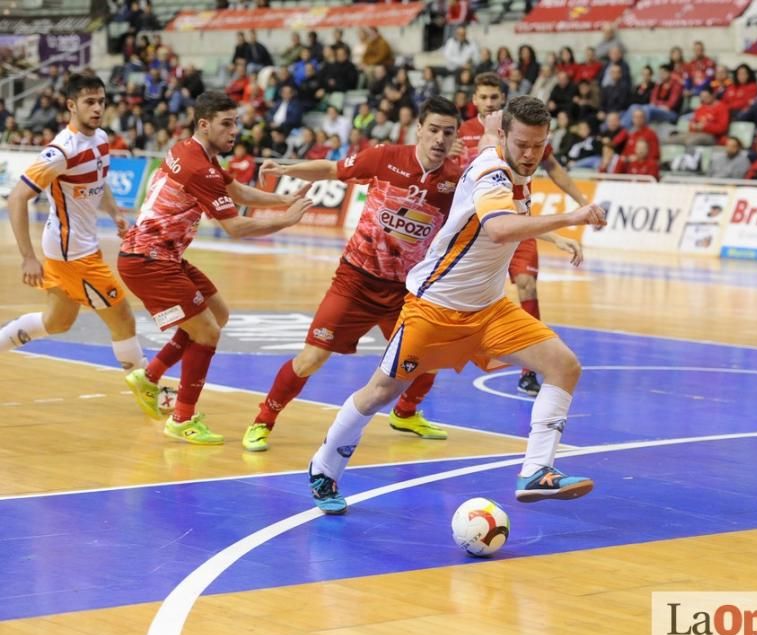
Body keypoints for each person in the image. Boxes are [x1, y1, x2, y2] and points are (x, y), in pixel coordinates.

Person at [306, 100, 608, 515]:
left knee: (564, 365)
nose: (529, 154)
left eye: (538, 146)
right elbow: (500, 229)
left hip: (489, 310)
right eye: (521, 144)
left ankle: (537, 470)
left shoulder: (500, 150)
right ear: (505, 139)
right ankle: (324, 466)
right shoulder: (490, 175)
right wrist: (568, 218)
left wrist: (491, 124)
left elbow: (488, 134)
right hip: (436, 308)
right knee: (381, 392)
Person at [241, 97, 466, 452]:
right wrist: (287, 170)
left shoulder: (457, 181)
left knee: (430, 356)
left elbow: (490, 216)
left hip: (406, 291)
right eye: (434, 130)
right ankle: (263, 421)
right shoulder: (385, 157)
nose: (439, 139)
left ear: (456, 136)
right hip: (356, 280)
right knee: (311, 358)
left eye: (448, 132)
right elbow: (332, 170)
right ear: (419, 130)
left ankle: (405, 414)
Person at [117, 91, 312, 444]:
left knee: (217, 313)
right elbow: (235, 227)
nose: (234, 131)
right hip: (149, 260)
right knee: (207, 332)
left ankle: (150, 376)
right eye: (226, 123)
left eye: (236, 122)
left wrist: (286, 199)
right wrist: (284, 221)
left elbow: (235, 191)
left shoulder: (188, 150)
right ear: (204, 124)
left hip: (160, 255)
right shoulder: (199, 168)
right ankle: (182, 418)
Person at [2, 74, 152, 392]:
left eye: (101, 101)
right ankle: (149, 389)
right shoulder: (60, 151)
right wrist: (28, 258)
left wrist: (112, 211)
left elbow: (99, 180)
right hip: (73, 253)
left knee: (57, 322)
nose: (98, 108)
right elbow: (16, 198)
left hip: (77, 246)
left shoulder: (100, 138)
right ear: (72, 105)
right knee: (123, 317)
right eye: (89, 102)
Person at [455, 73, 586, 396]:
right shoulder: (461, 133)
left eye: (494, 97)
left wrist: (583, 202)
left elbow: (552, 167)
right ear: (474, 100)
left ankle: (531, 370)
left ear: (503, 99)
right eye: (483, 97)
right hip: (474, 228)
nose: (489, 103)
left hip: (516, 220)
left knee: (527, 285)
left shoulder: (521, 129)